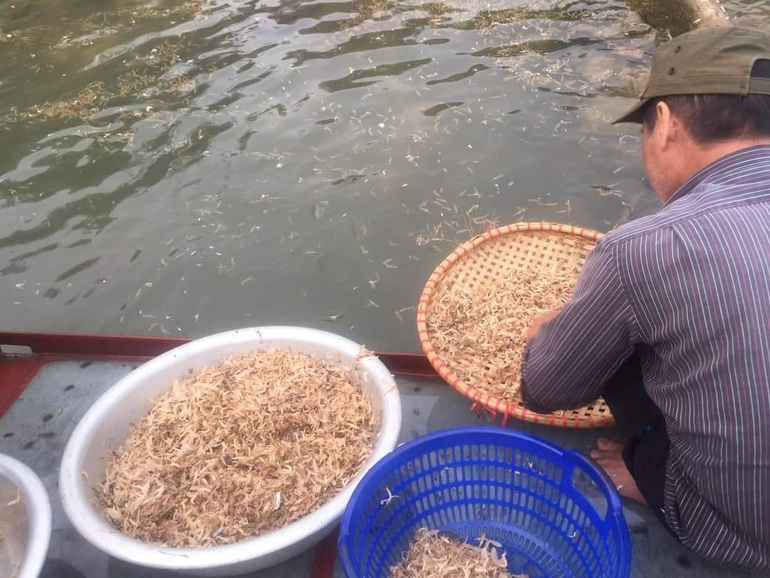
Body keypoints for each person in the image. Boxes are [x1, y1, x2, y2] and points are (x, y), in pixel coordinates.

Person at [519, 26, 770, 572]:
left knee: (616, 338)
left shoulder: (643, 248)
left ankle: (649, 472)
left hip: (743, 537)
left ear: (665, 124)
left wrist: (546, 330)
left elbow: (543, 391)